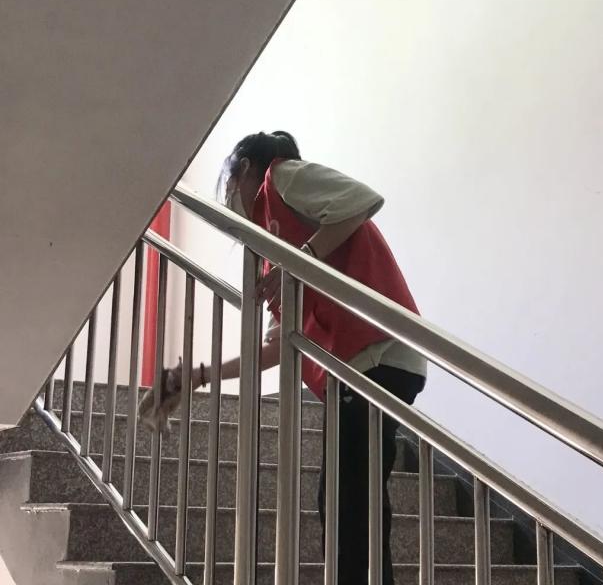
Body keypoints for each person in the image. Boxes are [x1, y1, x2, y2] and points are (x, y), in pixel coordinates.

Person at [140, 131, 427, 585]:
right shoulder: (271, 255)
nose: (228, 194)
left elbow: (361, 200)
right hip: (362, 365)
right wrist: (197, 375)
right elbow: (273, 348)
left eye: (230, 180)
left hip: (376, 354)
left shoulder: (282, 177)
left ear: (246, 168)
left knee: (347, 506)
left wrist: (301, 258)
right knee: (351, 504)